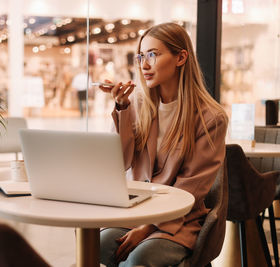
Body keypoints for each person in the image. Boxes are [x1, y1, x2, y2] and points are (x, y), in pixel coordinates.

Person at [98, 22, 228, 267]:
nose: (144, 65)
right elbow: (121, 162)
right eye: (141, 56)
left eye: (152, 55)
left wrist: (148, 227)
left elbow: (191, 188)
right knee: (98, 243)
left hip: (178, 220)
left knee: (139, 259)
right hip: (135, 211)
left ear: (181, 57)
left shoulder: (211, 118)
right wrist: (122, 110)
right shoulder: (135, 105)